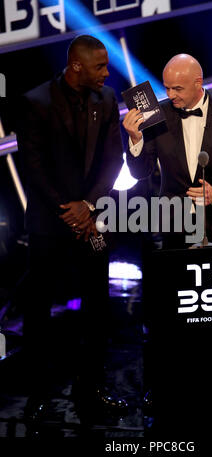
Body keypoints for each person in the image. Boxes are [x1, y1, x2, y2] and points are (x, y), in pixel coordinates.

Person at [16, 35, 126, 424]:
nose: (106, 73)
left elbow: (115, 158)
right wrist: (69, 210)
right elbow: (33, 167)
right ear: (77, 65)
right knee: (39, 309)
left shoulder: (109, 99)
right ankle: (38, 393)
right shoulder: (35, 101)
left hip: (93, 220)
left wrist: (90, 206)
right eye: (99, 66)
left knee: (97, 305)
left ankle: (91, 386)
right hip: (51, 222)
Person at [123, 53, 212, 247]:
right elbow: (140, 172)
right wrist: (135, 138)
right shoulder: (156, 116)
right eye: (167, 88)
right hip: (175, 227)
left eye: (177, 89)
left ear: (198, 82)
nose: (170, 95)